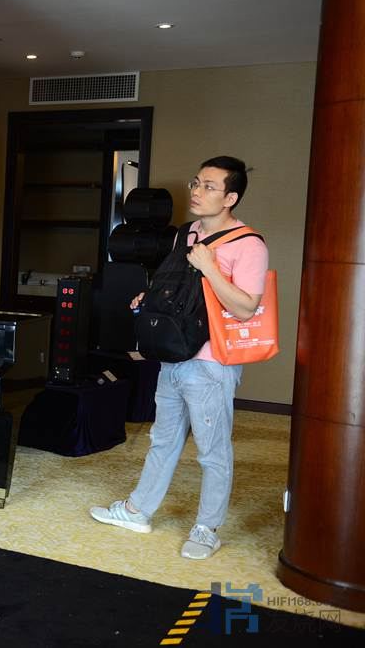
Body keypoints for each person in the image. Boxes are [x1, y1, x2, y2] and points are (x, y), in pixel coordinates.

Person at [89, 156, 269, 560]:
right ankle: (137, 510)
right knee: (163, 439)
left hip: (212, 362)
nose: (197, 191)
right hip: (173, 353)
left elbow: (245, 308)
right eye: (196, 183)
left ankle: (207, 528)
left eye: (209, 186)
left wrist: (210, 268)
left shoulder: (249, 244)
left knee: (212, 450)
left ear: (230, 198)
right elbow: (178, 291)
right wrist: (149, 299)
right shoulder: (185, 234)